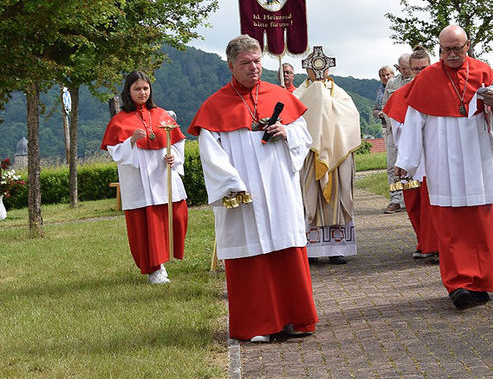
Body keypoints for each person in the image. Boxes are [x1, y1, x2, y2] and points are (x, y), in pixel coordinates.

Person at [188, 34, 318, 343]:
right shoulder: (215, 106)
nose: (253, 68)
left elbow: (304, 137)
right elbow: (211, 154)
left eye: (257, 61)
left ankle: (294, 319)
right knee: (252, 255)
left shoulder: (279, 96)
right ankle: (258, 324)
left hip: (279, 188)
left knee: (286, 248)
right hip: (244, 195)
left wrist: (286, 132)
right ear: (231, 66)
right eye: (246, 63)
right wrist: (233, 185)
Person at [395, 25, 493, 309]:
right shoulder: (427, 79)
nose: (450, 54)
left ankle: (481, 281)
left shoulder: (484, 72)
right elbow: (413, 123)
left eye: (456, 49)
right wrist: (406, 162)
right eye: (445, 49)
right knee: (450, 227)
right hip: (443, 162)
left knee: (479, 224)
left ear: (467, 46)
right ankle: (458, 284)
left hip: (478, 159)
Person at [101, 71, 188, 284]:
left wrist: (173, 157)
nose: (142, 92)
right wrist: (131, 140)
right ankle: (154, 269)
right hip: (139, 181)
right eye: (137, 89)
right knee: (146, 223)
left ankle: (165, 258)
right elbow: (115, 152)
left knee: (177, 216)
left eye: (145, 88)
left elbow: (177, 143)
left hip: (163, 176)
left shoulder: (162, 115)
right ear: (128, 92)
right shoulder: (120, 121)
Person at [294, 65, 362, 265]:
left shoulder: (340, 93)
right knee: (308, 198)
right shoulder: (300, 93)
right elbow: (295, 120)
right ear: (306, 69)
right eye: (313, 69)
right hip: (310, 155)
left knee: (338, 198)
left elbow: (350, 118)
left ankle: (336, 250)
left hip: (337, 154)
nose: (317, 72)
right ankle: (310, 251)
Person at [383, 45, 439, 261]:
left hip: (434, 157)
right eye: (416, 69)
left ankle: (435, 245)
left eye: (424, 68)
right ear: (409, 70)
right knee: (414, 201)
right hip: (411, 158)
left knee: (431, 203)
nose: (421, 73)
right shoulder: (401, 94)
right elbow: (396, 126)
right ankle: (423, 241)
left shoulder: (439, 90)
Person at [383, 54, 412, 214]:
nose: (406, 71)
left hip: (414, 131)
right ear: (398, 68)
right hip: (394, 131)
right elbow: (386, 106)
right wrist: (392, 126)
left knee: (413, 166)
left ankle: (412, 199)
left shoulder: (418, 80)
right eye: (403, 68)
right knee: (393, 166)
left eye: (409, 67)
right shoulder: (392, 83)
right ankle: (395, 199)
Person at [372, 65, 394, 133]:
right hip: (386, 125)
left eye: (388, 74)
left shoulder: (398, 86)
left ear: (393, 74)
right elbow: (375, 110)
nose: (386, 77)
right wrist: (379, 114)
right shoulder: (379, 92)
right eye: (383, 76)